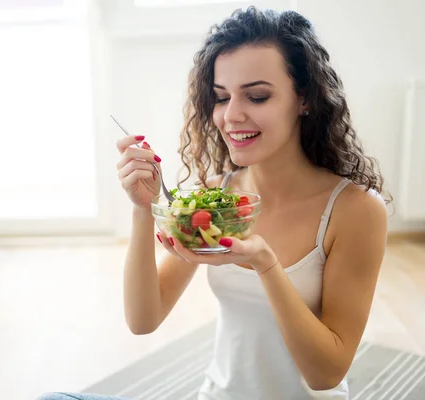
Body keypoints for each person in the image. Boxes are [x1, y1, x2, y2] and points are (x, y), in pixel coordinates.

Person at [39, 5, 389, 400]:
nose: (231, 115)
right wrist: (145, 208)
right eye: (221, 98)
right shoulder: (217, 196)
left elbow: (325, 374)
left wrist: (266, 264)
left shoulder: (356, 210)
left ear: (304, 98)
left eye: (257, 96)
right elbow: (143, 318)